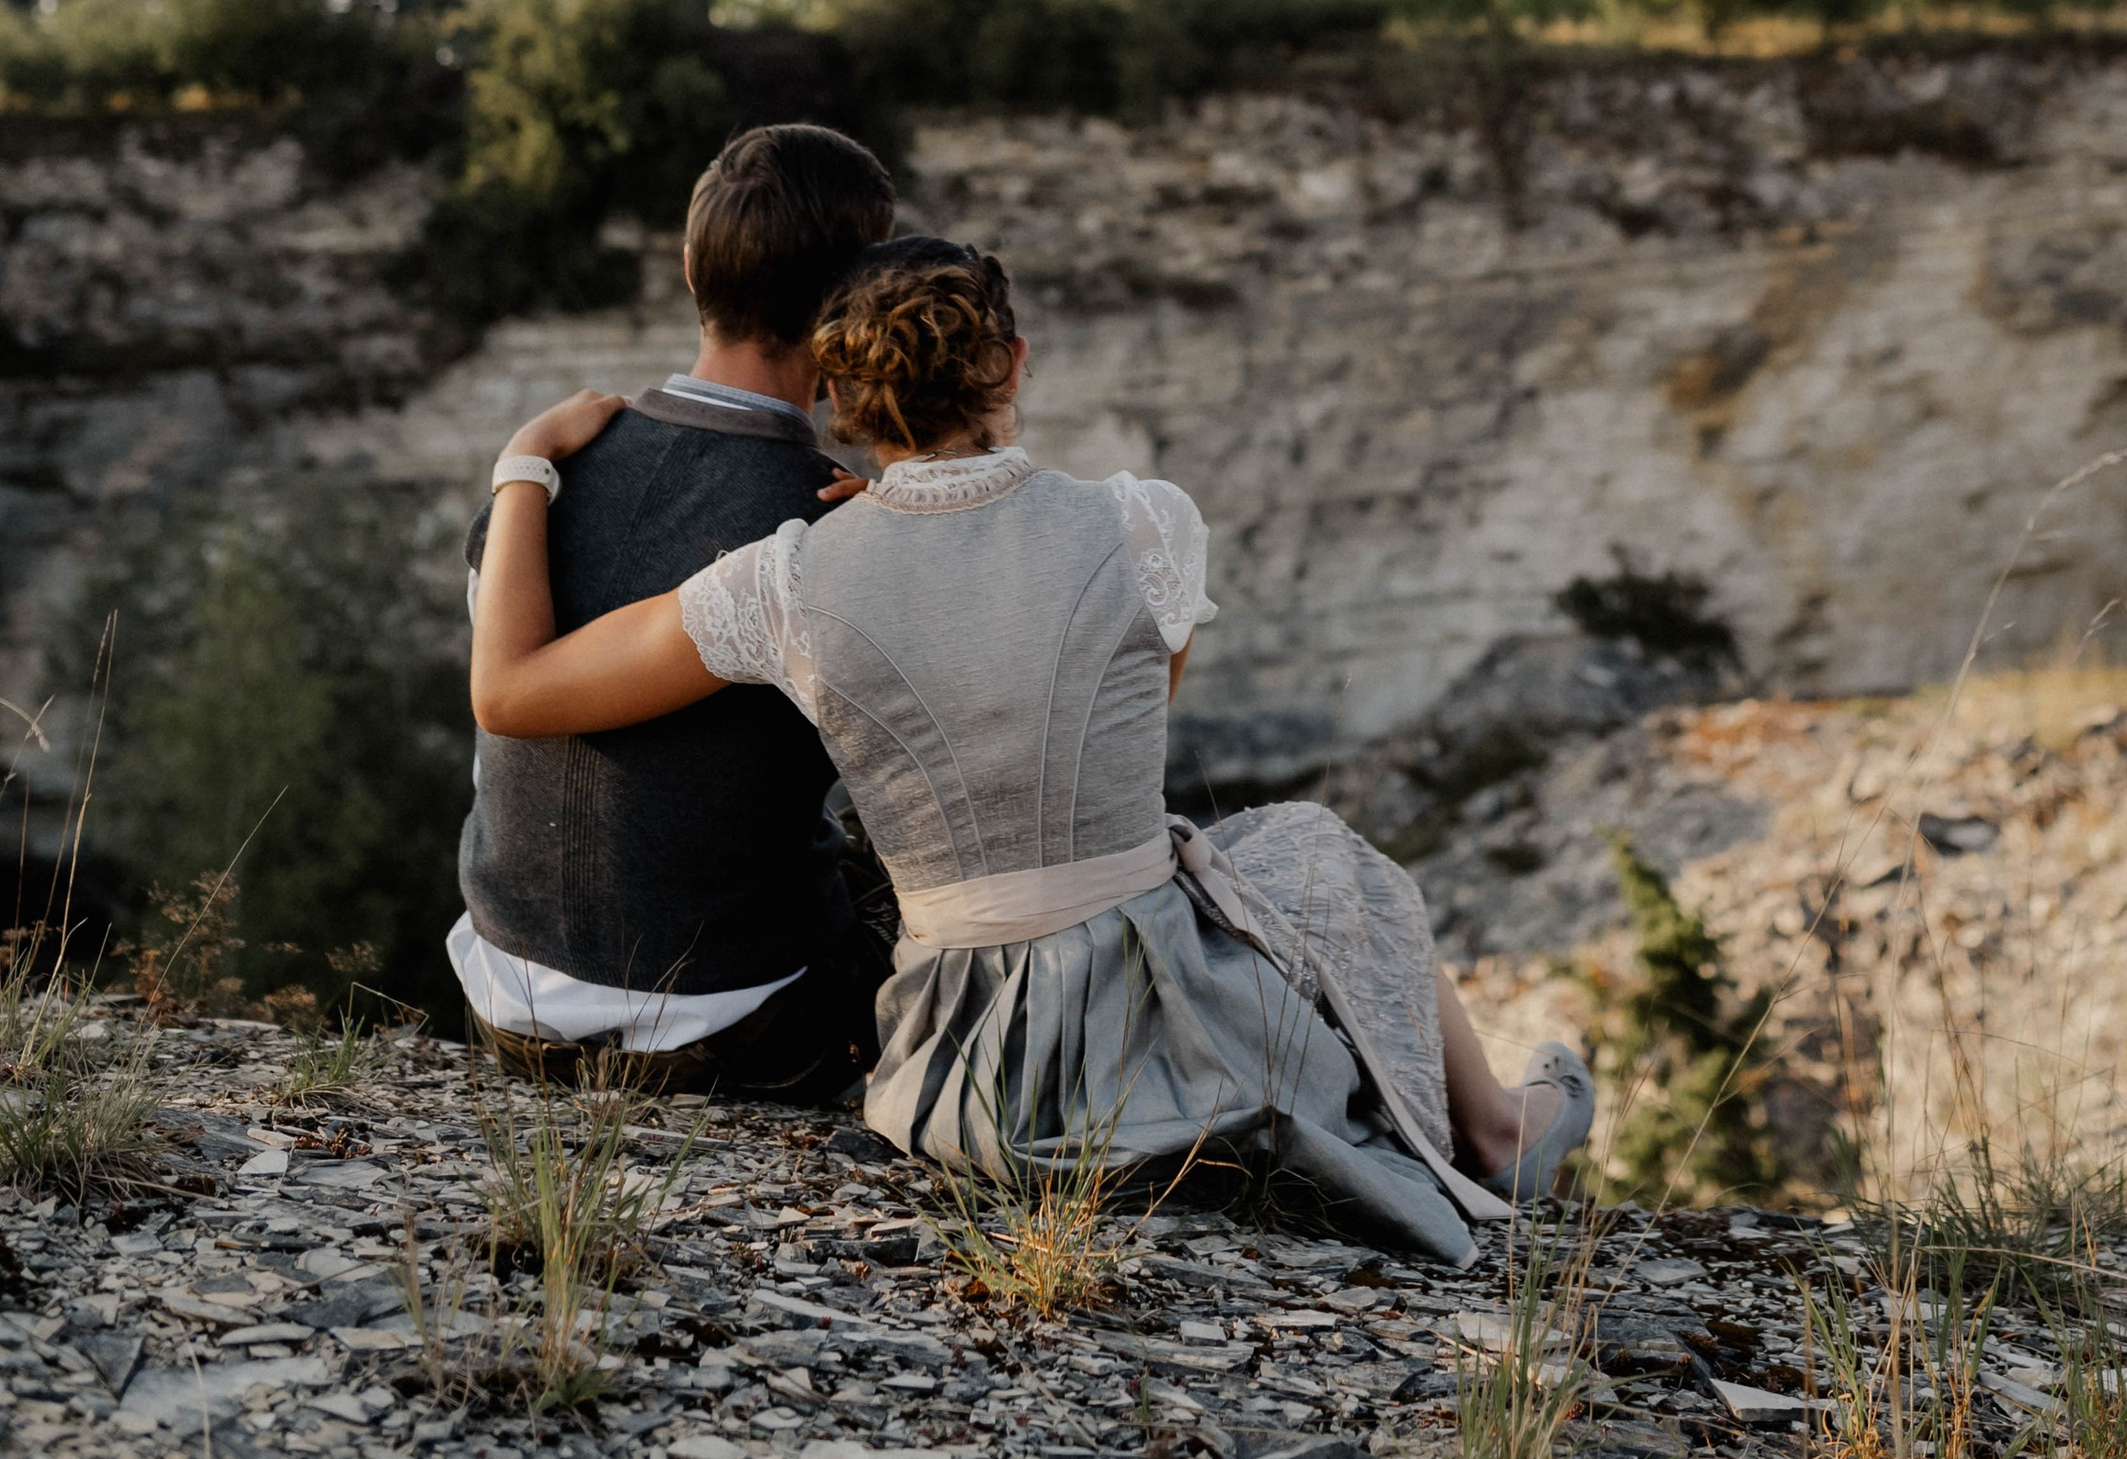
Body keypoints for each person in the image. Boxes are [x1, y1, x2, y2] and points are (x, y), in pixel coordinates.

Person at [469, 238, 1593, 1261]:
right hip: (1155, 1007)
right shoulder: (1145, 517)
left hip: (953, 1072)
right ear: (1011, 361)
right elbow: (1128, 721)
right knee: (1311, 846)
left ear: (843, 399)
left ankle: (1469, 1125)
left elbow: (515, 690)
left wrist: (526, 461)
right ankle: (1493, 1129)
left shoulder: (788, 578)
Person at [449, 122, 901, 1101]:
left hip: (503, 999)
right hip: (727, 1029)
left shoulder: (542, 483)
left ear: (691, 266)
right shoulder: (824, 521)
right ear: (857, 303)